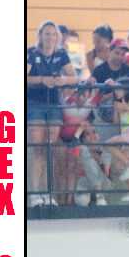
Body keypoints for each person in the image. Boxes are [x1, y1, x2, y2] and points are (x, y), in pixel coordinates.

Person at [27, 20, 75, 206]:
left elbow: (74, 77)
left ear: (58, 37)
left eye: (53, 34)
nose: (50, 37)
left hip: (54, 105)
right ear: (40, 35)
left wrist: (62, 81)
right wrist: (42, 79)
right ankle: (34, 194)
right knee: (37, 148)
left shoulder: (62, 54)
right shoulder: (31, 53)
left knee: (50, 149)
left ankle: (47, 194)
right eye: (46, 33)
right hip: (35, 104)